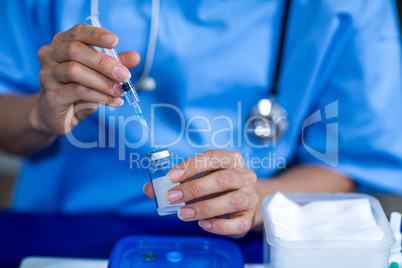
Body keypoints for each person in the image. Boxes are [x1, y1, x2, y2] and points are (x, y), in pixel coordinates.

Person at [0, 0, 401, 237]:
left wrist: (256, 201)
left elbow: (346, 161)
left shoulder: (346, 9)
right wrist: (39, 114)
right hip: (65, 231)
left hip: (250, 240)